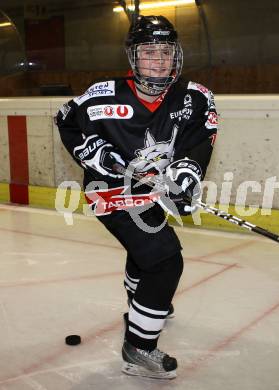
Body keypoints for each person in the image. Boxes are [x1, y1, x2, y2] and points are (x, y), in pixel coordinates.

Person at [56, 15, 218, 379]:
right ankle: (139, 347)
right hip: (109, 189)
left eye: (166, 51)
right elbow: (65, 120)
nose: (159, 60)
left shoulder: (195, 96)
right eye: (149, 51)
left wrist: (186, 174)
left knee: (147, 253)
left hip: (151, 188)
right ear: (133, 56)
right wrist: (93, 151)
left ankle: (142, 302)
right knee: (164, 261)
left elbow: (199, 140)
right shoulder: (103, 95)